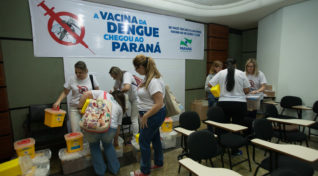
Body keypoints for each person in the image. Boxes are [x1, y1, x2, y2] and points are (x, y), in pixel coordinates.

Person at [132, 55, 166, 176]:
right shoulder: (149, 78)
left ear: (142, 66)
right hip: (151, 113)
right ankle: (158, 162)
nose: (136, 70)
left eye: (136, 68)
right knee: (155, 138)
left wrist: (145, 116)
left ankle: (144, 170)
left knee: (143, 141)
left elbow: (159, 103)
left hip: (152, 115)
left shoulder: (153, 81)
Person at [78, 90, 125, 176]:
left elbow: (86, 94)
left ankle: (100, 172)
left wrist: (79, 108)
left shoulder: (103, 93)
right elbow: (117, 128)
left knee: (94, 147)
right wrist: (115, 142)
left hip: (92, 125)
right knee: (108, 146)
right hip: (109, 128)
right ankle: (114, 169)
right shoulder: (119, 108)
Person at [209, 58, 250, 154]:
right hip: (239, 104)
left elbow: (210, 85)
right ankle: (234, 150)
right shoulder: (241, 73)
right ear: (235, 64)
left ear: (226, 65)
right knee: (237, 126)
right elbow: (247, 90)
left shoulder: (221, 73)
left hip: (224, 103)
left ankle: (222, 147)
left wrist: (222, 88)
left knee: (223, 126)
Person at [53, 61, 99, 132]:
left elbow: (97, 93)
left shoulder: (92, 78)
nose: (77, 74)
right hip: (75, 108)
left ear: (86, 71)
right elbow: (65, 92)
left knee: (89, 130)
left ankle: (87, 143)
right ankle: (79, 143)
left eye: (80, 72)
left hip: (88, 108)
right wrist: (58, 101)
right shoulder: (71, 79)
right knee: (76, 130)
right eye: (76, 72)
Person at [109, 66, 139, 145]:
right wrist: (111, 93)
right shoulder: (118, 79)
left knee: (134, 119)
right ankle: (139, 135)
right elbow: (115, 89)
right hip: (132, 99)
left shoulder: (126, 75)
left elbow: (126, 87)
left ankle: (135, 139)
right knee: (137, 118)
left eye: (114, 77)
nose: (113, 79)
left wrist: (116, 92)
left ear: (118, 74)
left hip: (137, 99)